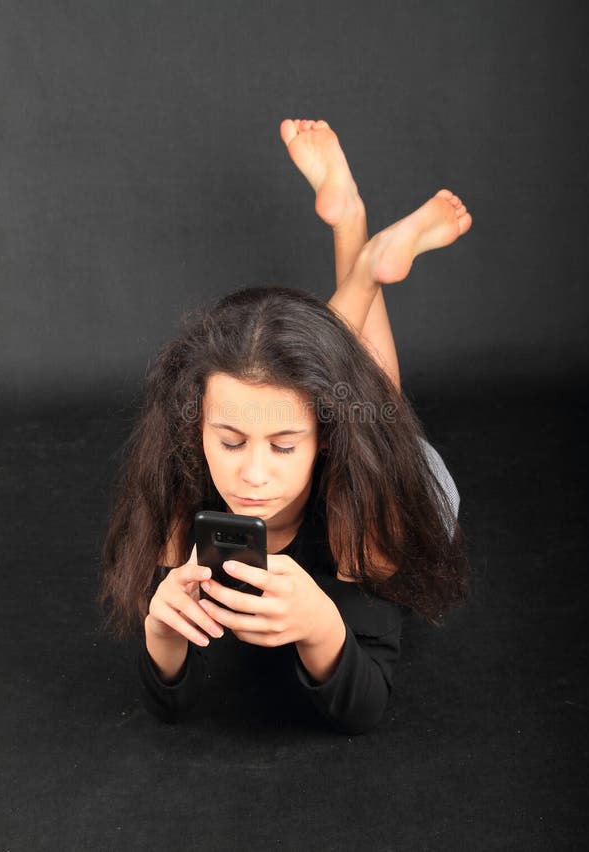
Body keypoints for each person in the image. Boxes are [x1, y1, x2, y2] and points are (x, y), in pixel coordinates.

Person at [98, 119, 472, 734]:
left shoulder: (366, 508)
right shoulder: (178, 486)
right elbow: (165, 704)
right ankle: (358, 240)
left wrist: (325, 627)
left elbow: (366, 705)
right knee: (304, 374)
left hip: (401, 477)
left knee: (382, 407)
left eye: (283, 446)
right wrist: (160, 637)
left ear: (324, 440)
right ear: (196, 430)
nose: (252, 475)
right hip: (332, 416)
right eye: (229, 441)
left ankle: (364, 249)